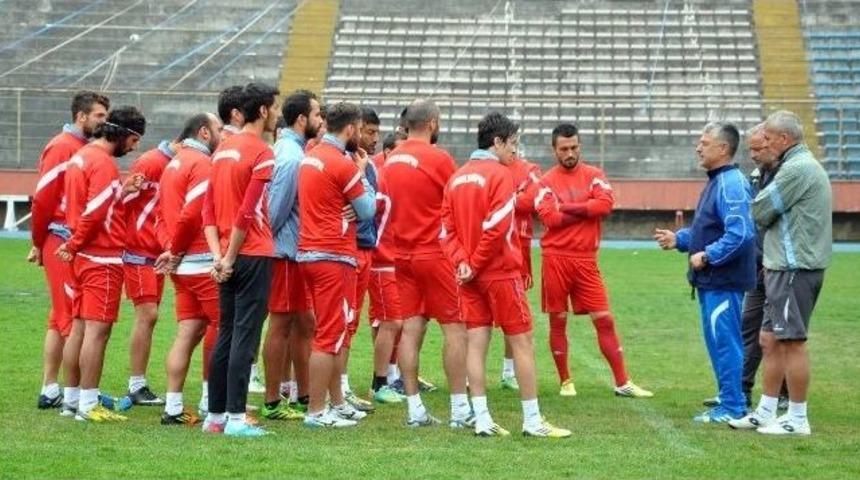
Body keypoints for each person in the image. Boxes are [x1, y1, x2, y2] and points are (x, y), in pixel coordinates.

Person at [441, 112, 571, 438]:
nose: (515, 150)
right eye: (512, 143)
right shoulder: (500, 175)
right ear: (496, 142)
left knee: (476, 343)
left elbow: (445, 230)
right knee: (522, 342)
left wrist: (463, 263)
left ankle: (482, 419)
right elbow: (497, 226)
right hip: (499, 271)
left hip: (468, 276)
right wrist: (476, 263)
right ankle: (532, 420)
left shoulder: (456, 178)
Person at [531, 123, 652, 399]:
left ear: (580, 146)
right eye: (564, 149)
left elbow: (605, 205)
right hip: (556, 259)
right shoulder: (546, 181)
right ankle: (565, 381)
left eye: (574, 147)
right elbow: (550, 218)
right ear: (554, 150)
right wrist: (587, 209)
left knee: (604, 319)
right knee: (558, 320)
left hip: (586, 259)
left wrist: (566, 207)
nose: (570, 153)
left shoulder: (594, 175)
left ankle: (622, 382)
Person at [729, 110, 832, 436]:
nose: (765, 143)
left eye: (769, 138)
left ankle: (798, 418)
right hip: (781, 266)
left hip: (793, 267)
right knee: (769, 340)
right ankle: (766, 410)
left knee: (791, 342)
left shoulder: (797, 169)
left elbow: (760, 210)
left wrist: (758, 201)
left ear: (784, 139)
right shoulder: (794, 166)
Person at [654, 122, 755, 423]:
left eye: (705, 143)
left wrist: (709, 255)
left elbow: (740, 233)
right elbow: (708, 230)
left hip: (723, 281)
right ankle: (728, 395)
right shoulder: (717, 181)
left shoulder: (731, 183)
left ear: (723, 149)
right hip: (712, 281)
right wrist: (680, 239)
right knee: (718, 341)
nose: (698, 148)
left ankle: (733, 406)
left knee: (726, 342)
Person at [57, 106, 147, 422]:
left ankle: (71, 401)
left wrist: (123, 191)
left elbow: (91, 205)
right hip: (101, 258)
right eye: (134, 140)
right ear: (122, 134)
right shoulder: (103, 164)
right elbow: (94, 213)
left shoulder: (81, 157)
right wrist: (74, 243)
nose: (134, 147)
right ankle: (88, 404)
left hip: (83, 257)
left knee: (79, 329)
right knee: (98, 332)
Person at [201, 82, 280, 437]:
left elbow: (208, 210)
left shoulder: (221, 150)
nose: (277, 114)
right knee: (245, 338)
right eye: (274, 108)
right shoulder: (262, 152)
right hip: (252, 253)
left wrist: (218, 256)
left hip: (225, 254)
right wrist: (230, 256)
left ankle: (215, 417)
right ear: (262, 110)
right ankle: (235, 418)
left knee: (227, 334)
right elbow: (247, 212)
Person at [384, 99, 469, 427]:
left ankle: (414, 408)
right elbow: (458, 197)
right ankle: (460, 409)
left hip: (402, 254)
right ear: (432, 123)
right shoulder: (439, 158)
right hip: (435, 253)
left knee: (411, 329)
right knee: (455, 328)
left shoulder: (392, 159)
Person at [297, 102, 376, 428]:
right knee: (330, 335)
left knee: (331, 331)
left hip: (309, 252)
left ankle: (338, 403)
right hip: (334, 255)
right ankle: (317, 411)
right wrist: (363, 174)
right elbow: (368, 209)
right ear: (350, 128)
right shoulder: (342, 164)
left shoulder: (310, 157)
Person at [29, 91, 108, 410]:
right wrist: (39, 242)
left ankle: (51, 388)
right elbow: (43, 198)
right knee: (70, 317)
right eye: (100, 115)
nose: (104, 121)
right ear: (81, 116)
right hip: (62, 239)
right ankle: (76, 396)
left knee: (58, 316)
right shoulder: (63, 146)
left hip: (68, 240)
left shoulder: (83, 147)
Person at [154, 112, 223, 425]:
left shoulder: (173, 163)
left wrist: (170, 249)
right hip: (200, 261)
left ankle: (173, 406)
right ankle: (212, 401)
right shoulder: (201, 163)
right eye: (218, 128)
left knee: (188, 331)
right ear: (204, 132)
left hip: (182, 266)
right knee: (221, 328)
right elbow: (193, 213)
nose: (222, 134)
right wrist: (177, 249)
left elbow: (159, 215)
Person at [262, 89, 323, 420]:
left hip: (294, 254)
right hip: (285, 254)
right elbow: (274, 211)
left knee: (304, 323)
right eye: (316, 114)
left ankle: (304, 394)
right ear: (301, 119)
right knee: (281, 324)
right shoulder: (290, 157)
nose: (320, 120)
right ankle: (273, 400)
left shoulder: (293, 151)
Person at [123, 138, 177, 406]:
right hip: (138, 250)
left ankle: (138, 383)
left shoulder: (176, 164)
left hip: (156, 253)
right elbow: (123, 201)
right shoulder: (151, 162)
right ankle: (136, 385)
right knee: (147, 314)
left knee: (150, 317)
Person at [338, 106, 382, 413]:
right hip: (348, 248)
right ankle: (334, 390)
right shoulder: (346, 163)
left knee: (350, 322)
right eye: (369, 132)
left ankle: (340, 385)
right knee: (342, 321)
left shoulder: (367, 164)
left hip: (364, 247)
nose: (375, 138)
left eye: (377, 132)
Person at [368, 130, 408, 403]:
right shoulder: (381, 181)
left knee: (389, 320)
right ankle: (379, 382)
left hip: (396, 260)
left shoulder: (398, 183)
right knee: (391, 320)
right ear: (387, 153)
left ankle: (389, 376)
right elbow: (367, 212)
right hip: (382, 262)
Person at [498, 153, 542, 391]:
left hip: (518, 247)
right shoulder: (486, 167)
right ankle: (468, 375)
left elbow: (532, 201)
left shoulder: (529, 169)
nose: (512, 149)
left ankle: (508, 371)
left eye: (514, 142)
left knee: (514, 311)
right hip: (489, 243)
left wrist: (503, 199)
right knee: (476, 315)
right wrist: (516, 195)